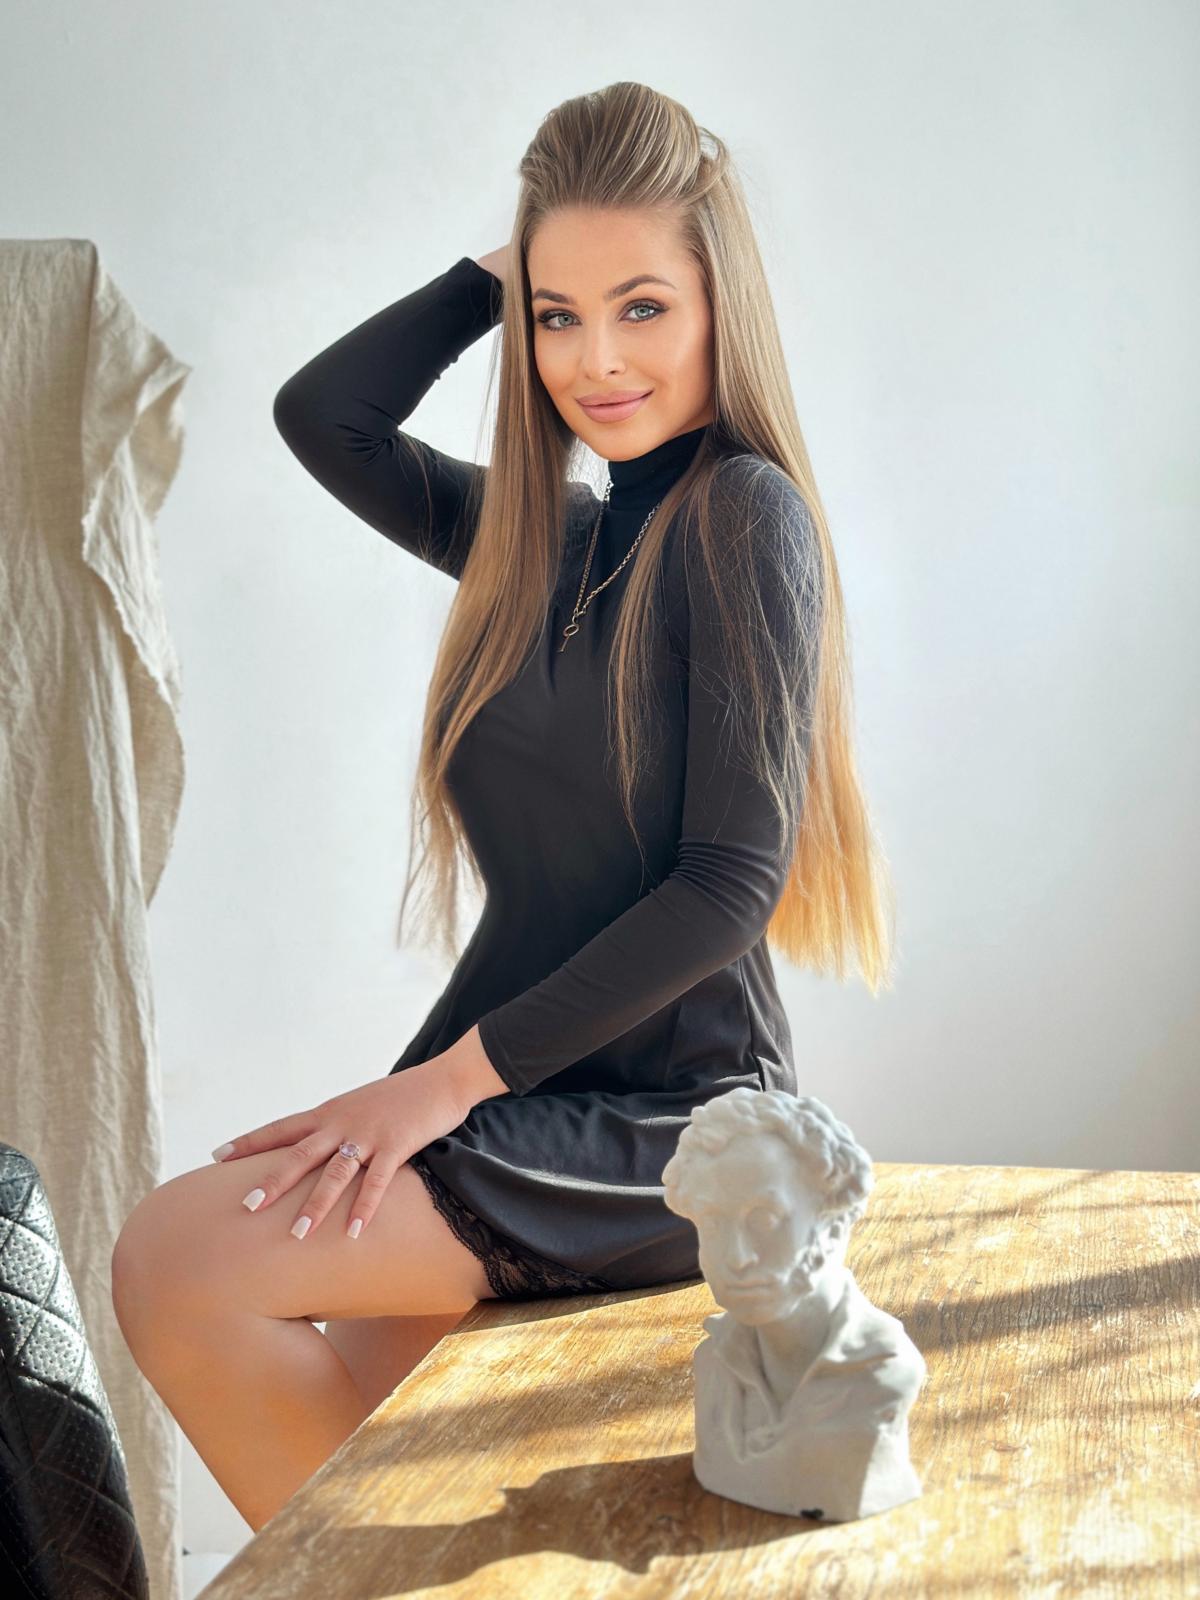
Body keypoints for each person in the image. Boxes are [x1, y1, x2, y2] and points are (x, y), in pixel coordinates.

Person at [110, 80, 895, 1533]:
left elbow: (730, 882)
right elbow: (325, 418)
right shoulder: (544, 542)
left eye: (642, 306)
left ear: (722, 303)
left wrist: (436, 1089)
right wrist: (497, 271)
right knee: (352, 1445)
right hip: (529, 1094)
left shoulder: (744, 516)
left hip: (673, 1126)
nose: (597, 360)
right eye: (558, 316)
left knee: (183, 1257)